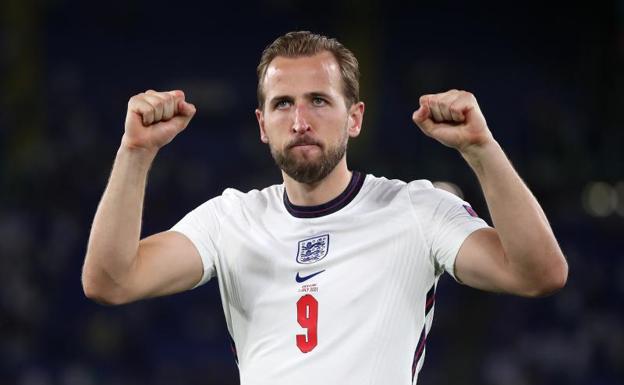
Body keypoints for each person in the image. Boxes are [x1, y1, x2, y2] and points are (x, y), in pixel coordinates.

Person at [82, 31, 568, 384]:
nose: (299, 121)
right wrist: (135, 153)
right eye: (282, 104)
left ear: (354, 117)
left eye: (318, 100)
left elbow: (539, 273)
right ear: (261, 123)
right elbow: (110, 281)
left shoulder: (416, 210)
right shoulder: (229, 219)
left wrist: (481, 148)